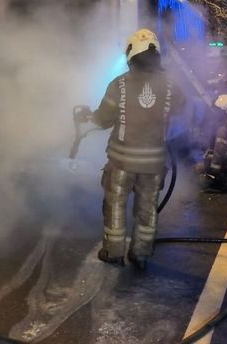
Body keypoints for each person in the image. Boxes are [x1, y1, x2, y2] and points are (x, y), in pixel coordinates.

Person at [76, 28, 185, 270]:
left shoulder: (120, 84)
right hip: (154, 165)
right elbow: (181, 112)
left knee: (115, 205)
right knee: (148, 210)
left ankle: (114, 252)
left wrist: (89, 116)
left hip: (121, 162)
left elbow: (104, 118)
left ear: (130, 53)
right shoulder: (170, 86)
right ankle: (141, 254)